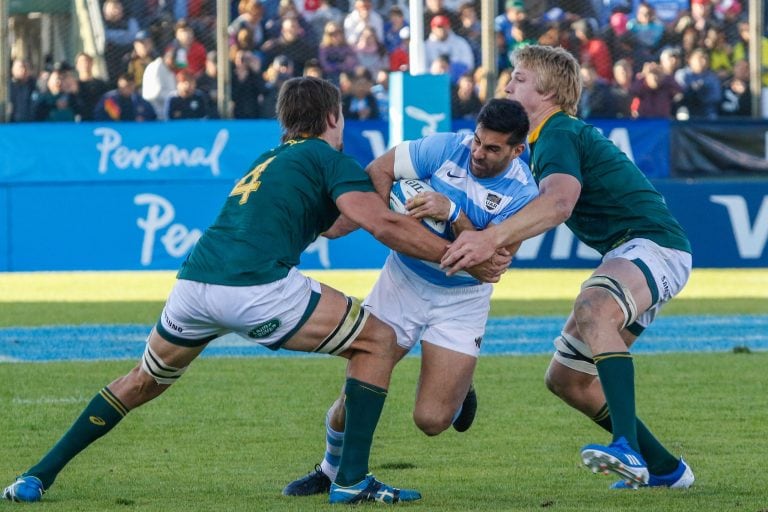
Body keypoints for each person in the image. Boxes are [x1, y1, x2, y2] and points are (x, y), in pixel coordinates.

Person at [2, 76, 504, 505]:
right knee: (377, 341)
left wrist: (394, 203)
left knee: (141, 381)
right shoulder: (330, 160)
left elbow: (334, 226)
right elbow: (382, 228)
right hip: (255, 287)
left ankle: (36, 476)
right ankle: (349, 480)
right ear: (334, 117)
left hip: (194, 285)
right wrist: (461, 255)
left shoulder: (270, 159)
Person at [441, 45, 695, 490]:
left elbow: (558, 203)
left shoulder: (556, 131)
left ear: (549, 91)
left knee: (594, 307)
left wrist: (490, 240)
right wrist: (496, 243)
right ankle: (667, 470)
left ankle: (627, 448)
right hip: (631, 254)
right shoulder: (538, 143)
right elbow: (527, 209)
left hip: (652, 246)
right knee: (569, 380)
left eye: (519, 77)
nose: (508, 84)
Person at [282, 98, 538, 498]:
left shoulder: (524, 194)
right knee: (356, 391)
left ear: (517, 150)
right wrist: (390, 225)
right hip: (401, 281)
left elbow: (490, 264)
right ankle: (330, 469)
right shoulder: (445, 145)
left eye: (492, 149)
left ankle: (458, 386)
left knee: (432, 420)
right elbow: (381, 168)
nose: (478, 154)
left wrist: (451, 210)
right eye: (477, 142)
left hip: (463, 300)